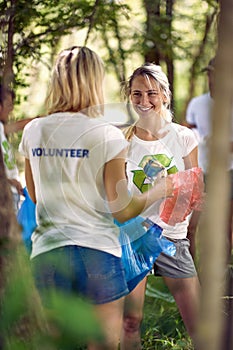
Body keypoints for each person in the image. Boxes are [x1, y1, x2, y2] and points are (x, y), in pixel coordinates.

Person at [18, 46, 174, 350]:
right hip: (97, 253)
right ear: (95, 81)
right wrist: (159, 191)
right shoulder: (106, 135)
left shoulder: (33, 130)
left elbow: (34, 196)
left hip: (48, 252)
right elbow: (122, 210)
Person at [121, 63, 201, 349]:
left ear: (165, 95)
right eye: (137, 94)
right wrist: (155, 193)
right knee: (130, 321)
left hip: (172, 237)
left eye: (152, 93)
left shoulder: (183, 137)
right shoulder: (122, 141)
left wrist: (179, 197)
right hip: (133, 238)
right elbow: (116, 199)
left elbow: (194, 189)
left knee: (198, 323)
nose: (144, 102)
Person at [186, 57, 233, 260]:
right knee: (190, 227)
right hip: (200, 173)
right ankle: (192, 277)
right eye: (210, 73)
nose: (212, 78)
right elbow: (186, 132)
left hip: (227, 173)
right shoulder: (197, 103)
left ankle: (224, 277)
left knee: (224, 228)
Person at [0, 84, 26, 211]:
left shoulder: (0, 128)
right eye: (9, 105)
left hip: (10, 193)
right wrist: (11, 181)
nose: (11, 110)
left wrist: (40, 120)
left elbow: (17, 126)